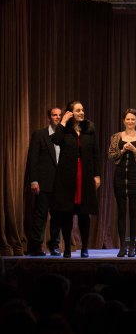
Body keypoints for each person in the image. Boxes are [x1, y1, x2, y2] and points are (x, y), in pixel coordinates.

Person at [51, 101, 101, 258]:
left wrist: (97, 175)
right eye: (78, 110)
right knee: (66, 213)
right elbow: (56, 140)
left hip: (85, 175)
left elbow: (95, 153)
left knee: (84, 214)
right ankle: (67, 248)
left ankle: (84, 247)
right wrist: (63, 122)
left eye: (82, 110)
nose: (82, 112)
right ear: (70, 112)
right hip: (67, 177)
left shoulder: (89, 129)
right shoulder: (64, 130)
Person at [108, 109, 136, 257]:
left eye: (133, 119)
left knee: (133, 212)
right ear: (124, 121)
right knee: (121, 212)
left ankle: (132, 245)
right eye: (128, 119)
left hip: (135, 178)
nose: (130, 121)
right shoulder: (116, 136)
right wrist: (121, 150)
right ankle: (122, 246)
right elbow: (111, 155)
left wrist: (133, 149)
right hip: (119, 177)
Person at [27, 107, 63, 256]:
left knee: (57, 216)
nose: (57, 117)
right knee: (40, 215)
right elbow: (33, 159)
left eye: (59, 115)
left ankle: (54, 245)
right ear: (49, 118)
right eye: (54, 115)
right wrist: (34, 180)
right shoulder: (39, 135)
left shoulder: (65, 136)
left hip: (60, 184)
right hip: (44, 183)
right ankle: (35, 246)